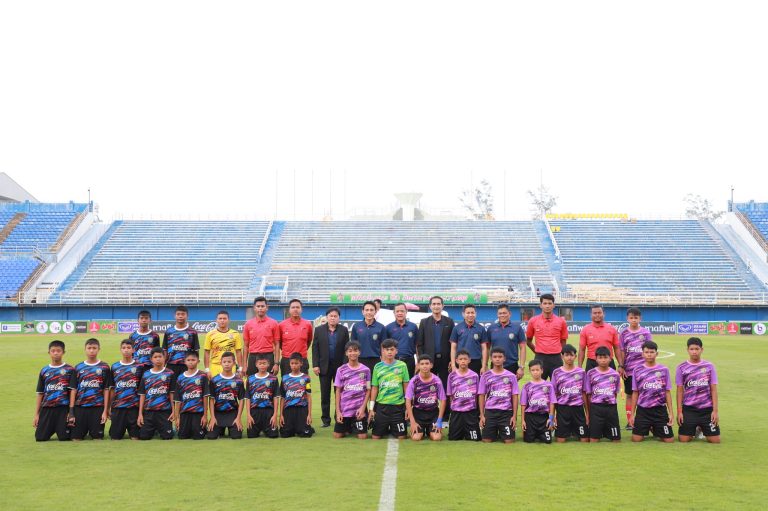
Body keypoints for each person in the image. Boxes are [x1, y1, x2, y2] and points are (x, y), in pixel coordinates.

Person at [676, 337, 720, 443]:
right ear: (687, 350)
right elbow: (680, 391)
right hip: (689, 409)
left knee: (715, 440)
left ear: (702, 349)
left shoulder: (709, 366)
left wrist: (715, 411)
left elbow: (713, 390)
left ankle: (701, 428)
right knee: (684, 439)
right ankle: (696, 428)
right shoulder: (681, 367)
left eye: (697, 349)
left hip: (706, 409)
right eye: (692, 349)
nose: (694, 352)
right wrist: (679, 412)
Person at [629, 341, 674, 443]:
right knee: (636, 439)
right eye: (646, 352)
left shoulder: (664, 370)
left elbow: (667, 392)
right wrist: (632, 414)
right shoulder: (637, 370)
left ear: (656, 354)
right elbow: (635, 392)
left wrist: (671, 413)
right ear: (642, 354)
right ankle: (649, 426)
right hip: (643, 410)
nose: (649, 354)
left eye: (652, 352)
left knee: (669, 440)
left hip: (660, 410)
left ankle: (654, 428)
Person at [68, 338, 112, 441]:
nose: (91, 351)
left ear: (99, 349)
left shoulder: (105, 367)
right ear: (85, 349)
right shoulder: (78, 367)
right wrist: (71, 411)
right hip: (80, 407)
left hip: (97, 408)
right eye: (89, 348)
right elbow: (73, 390)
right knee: (76, 439)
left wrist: (105, 411)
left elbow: (106, 390)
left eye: (94, 348)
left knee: (97, 438)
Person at [313, 306, 349, 427]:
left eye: (335, 316)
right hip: (324, 367)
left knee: (339, 393)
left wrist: (345, 366)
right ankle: (325, 420)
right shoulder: (319, 330)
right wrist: (315, 365)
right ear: (327, 317)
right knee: (325, 394)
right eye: (331, 316)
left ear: (339, 318)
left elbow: (346, 349)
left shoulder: (344, 330)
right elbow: (315, 348)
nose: (333, 318)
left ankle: (338, 417)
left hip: (340, 368)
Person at [34, 340, 75, 441]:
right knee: (40, 438)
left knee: (65, 438)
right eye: (53, 351)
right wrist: (36, 414)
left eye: (58, 351)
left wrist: (71, 412)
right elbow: (40, 393)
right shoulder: (44, 370)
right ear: (49, 352)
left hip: (62, 408)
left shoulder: (70, 369)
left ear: (63, 352)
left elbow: (72, 392)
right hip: (47, 408)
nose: (56, 353)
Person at [618, 307, 652, 429]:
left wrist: (650, 368)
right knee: (630, 395)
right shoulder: (623, 333)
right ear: (627, 318)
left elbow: (650, 351)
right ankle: (630, 421)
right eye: (631, 318)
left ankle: (645, 420)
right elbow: (622, 351)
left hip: (644, 371)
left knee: (645, 394)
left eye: (636, 318)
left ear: (640, 318)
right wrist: (622, 366)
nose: (633, 320)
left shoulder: (646, 333)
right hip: (629, 371)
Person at [370, 339, 409, 440]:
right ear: (383, 351)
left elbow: (406, 387)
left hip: (398, 407)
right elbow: (374, 388)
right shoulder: (377, 367)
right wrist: (371, 409)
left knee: (402, 437)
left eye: (392, 349)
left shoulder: (402, 365)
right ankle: (386, 427)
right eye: (387, 350)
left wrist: (408, 407)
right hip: (382, 406)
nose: (389, 352)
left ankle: (392, 427)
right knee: (375, 437)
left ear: (396, 351)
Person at [478, 348, 519, 443]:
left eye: (500, 357)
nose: (497, 359)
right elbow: (481, 395)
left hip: (506, 413)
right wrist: (482, 415)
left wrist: (514, 416)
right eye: (495, 357)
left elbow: (515, 396)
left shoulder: (511, 376)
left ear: (504, 359)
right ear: (491, 359)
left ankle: (501, 431)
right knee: (486, 440)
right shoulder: (485, 376)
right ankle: (495, 431)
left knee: (509, 441)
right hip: (490, 412)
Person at [416, 296, 456, 390]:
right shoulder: (424, 322)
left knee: (445, 386)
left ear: (443, 306)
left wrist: (452, 360)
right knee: (428, 386)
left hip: (445, 361)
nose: (436, 306)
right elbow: (419, 344)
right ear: (430, 306)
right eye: (434, 304)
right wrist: (422, 360)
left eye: (438, 304)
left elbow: (453, 343)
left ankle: (445, 400)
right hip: (429, 360)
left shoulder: (449, 322)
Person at [526, 293, 569, 380]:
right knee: (539, 385)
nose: (547, 306)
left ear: (554, 305)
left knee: (558, 384)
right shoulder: (533, 321)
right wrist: (537, 352)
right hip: (540, 358)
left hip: (556, 358)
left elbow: (563, 341)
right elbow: (528, 341)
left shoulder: (561, 321)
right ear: (540, 305)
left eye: (550, 303)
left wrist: (562, 354)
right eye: (545, 303)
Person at [551, 344, 589, 443]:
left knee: (584, 439)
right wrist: (553, 415)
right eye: (567, 355)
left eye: (571, 355)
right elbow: (554, 395)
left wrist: (587, 414)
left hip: (578, 409)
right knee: (560, 440)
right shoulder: (556, 372)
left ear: (575, 356)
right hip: (563, 409)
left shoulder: (581, 372)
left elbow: (584, 393)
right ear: (562, 356)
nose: (569, 358)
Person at [334, 341, 371, 439]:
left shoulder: (366, 370)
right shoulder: (341, 370)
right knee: (337, 435)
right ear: (346, 353)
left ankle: (353, 426)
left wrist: (363, 408)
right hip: (344, 409)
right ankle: (349, 427)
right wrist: (338, 412)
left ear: (359, 352)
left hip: (359, 410)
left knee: (362, 436)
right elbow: (338, 391)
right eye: (350, 351)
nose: (353, 353)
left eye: (355, 350)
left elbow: (368, 389)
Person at [584, 346, 621, 443]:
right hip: (596, 408)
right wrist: (590, 411)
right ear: (596, 359)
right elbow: (589, 394)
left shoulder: (615, 374)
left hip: (611, 408)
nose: (603, 360)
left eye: (605, 357)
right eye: (600, 357)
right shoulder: (590, 373)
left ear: (610, 358)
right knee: (593, 440)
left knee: (616, 440)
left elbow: (615, 393)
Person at [405, 354, 446, 441]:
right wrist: (412, 421)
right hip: (418, 414)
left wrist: (439, 421)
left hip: (433, 413)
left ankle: (429, 431)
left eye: (427, 363)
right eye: (422, 364)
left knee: (436, 438)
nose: (424, 366)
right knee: (416, 438)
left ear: (431, 365)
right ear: (418, 366)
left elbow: (443, 400)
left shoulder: (437, 380)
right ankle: (422, 431)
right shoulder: (414, 381)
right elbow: (408, 400)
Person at [137, 347, 176, 440]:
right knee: (143, 437)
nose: (158, 359)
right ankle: (155, 429)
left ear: (164, 358)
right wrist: (140, 414)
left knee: (167, 436)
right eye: (155, 357)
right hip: (149, 411)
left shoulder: (170, 373)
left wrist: (174, 411)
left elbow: (171, 394)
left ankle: (169, 429)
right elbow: (142, 395)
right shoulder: (146, 374)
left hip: (164, 411)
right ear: (151, 359)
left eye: (160, 356)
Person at [207, 351, 245, 439]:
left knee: (236, 436)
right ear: (221, 363)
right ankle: (220, 429)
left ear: (234, 363)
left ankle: (231, 427)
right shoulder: (214, 380)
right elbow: (211, 399)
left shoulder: (238, 381)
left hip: (233, 413)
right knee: (211, 436)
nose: (226, 364)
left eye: (229, 362)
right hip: (218, 413)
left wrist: (238, 418)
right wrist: (212, 417)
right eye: (224, 362)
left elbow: (241, 400)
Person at [109, 340, 141, 440]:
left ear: (133, 350)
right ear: (120, 350)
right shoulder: (115, 366)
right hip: (118, 407)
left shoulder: (139, 367)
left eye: (128, 348)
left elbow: (142, 390)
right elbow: (112, 388)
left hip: (134, 407)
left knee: (136, 437)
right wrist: (110, 406)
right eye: (123, 348)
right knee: (115, 437)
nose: (126, 350)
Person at [446, 350, 481, 441]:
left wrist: (475, 408)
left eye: (465, 359)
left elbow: (477, 395)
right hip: (456, 412)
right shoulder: (452, 376)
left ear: (469, 360)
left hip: (470, 412)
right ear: (456, 361)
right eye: (461, 359)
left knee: (474, 439)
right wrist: (453, 408)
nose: (463, 361)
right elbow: (450, 395)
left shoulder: (474, 376)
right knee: (453, 438)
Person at [174, 351, 209, 440]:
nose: (191, 362)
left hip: (198, 412)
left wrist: (205, 416)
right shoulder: (180, 377)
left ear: (198, 361)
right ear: (184, 361)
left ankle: (204, 428)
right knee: (182, 437)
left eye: (193, 360)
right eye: (188, 360)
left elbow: (205, 396)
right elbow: (178, 399)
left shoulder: (202, 375)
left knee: (198, 437)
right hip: (184, 412)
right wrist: (177, 418)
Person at [486, 304, 526, 380]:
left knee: (511, 387)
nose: (502, 315)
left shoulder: (517, 328)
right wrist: (485, 365)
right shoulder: (491, 328)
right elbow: (487, 348)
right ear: (497, 314)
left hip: (512, 365)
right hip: (495, 365)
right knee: (494, 387)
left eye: (504, 313)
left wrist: (521, 367)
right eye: (500, 313)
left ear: (509, 314)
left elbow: (523, 348)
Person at [520, 359, 556, 444]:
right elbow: (523, 404)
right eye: (533, 370)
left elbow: (552, 402)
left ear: (542, 370)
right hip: (530, 417)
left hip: (544, 417)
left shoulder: (548, 385)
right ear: (530, 371)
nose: (535, 372)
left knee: (547, 441)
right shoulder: (526, 386)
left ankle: (541, 433)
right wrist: (523, 420)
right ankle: (534, 433)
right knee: (528, 440)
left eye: (537, 370)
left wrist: (551, 419)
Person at [243, 296, 281, 376]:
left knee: (269, 381)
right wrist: (244, 365)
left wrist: (276, 363)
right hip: (253, 357)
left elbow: (277, 344)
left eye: (262, 306)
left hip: (268, 356)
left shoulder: (274, 323)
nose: (260, 308)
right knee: (252, 381)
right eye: (258, 306)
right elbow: (246, 346)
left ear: (267, 307)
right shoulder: (248, 324)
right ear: (254, 308)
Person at [578, 305, 623, 371]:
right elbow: (582, 350)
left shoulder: (612, 329)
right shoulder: (585, 330)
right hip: (592, 363)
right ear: (591, 315)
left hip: (608, 362)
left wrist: (621, 365)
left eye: (599, 313)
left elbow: (617, 348)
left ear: (604, 314)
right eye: (595, 313)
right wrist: (579, 367)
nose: (597, 315)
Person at [246, 354, 280, 439]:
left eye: (264, 363)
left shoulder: (273, 379)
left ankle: (267, 428)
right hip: (254, 411)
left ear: (268, 364)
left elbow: (276, 397)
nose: (262, 365)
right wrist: (248, 415)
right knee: (251, 436)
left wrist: (275, 415)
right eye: (260, 363)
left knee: (273, 435)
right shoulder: (250, 379)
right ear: (256, 364)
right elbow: (248, 398)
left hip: (268, 411)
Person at [280, 352, 314, 438]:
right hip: (288, 409)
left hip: (301, 409)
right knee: (285, 434)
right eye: (292, 363)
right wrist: (281, 415)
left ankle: (305, 426)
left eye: (296, 363)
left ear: (301, 363)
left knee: (305, 434)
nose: (294, 365)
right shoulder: (284, 378)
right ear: (289, 364)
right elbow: (282, 397)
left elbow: (309, 397)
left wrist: (309, 414)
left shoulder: (306, 378)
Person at [450, 304, 490, 375]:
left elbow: (484, 349)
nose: (470, 315)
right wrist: (453, 365)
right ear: (463, 314)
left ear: (475, 314)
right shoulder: (457, 328)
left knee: (475, 381)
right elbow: (453, 348)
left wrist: (484, 366)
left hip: (476, 361)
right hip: (461, 361)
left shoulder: (481, 328)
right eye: (468, 313)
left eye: (472, 313)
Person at [162, 305, 200, 379]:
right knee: (171, 386)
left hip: (186, 366)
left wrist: (194, 366)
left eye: (183, 314)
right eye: (178, 314)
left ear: (187, 316)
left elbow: (196, 351)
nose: (180, 316)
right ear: (174, 316)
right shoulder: (169, 331)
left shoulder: (192, 332)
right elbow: (165, 350)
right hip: (171, 365)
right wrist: (163, 366)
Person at [278, 299, 313, 377]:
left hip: (302, 359)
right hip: (287, 360)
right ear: (289, 309)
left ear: (301, 309)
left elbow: (309, 341)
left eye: (297, 307)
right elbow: (279, 343)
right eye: (293, 307)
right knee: (286, 382)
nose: (295, 309)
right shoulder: (282, 325)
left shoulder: (307, 324)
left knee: (303, 382)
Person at [204, 310, 244, 378]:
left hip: (231, 366)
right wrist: (207, 369)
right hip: (215, 366)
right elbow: (207, 352)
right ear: (216, 320)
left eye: (224, 318)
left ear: (228, 320)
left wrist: (240, 368)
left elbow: (238, 352)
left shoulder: (235, 334)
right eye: (220, 318)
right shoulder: (210, 334)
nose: (222, 320)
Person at [385, 303, 419, 378]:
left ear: (406, 312)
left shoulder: (413, 327)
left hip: (409, 361)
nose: (400, 313)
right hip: (393, 360)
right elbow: (384, 347)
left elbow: (417, 345)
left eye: (402, 311)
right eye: (397, 311)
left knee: (409, 382)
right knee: (394, 382)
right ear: (394, 313)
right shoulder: (388, 328)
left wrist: (418, 362)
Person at [352, 301, 387, 372]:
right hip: (360, 359)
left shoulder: (381, 327)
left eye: (371, 310)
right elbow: (353, 345)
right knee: (361, 379)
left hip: (376, 360)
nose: (369, 312)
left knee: (374, 379)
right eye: (367, 310)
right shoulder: (356, 326)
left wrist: (383, 361)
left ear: (375, 312)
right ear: (363, 312)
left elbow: (383, 346)